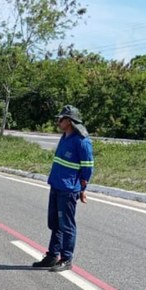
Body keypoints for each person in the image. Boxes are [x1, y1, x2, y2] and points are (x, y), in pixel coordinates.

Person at [33, 105, 94, 272]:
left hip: (68, 189)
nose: (58, 121)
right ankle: (53, 256)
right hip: (56, 185)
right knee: (54, 223)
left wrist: (82, 188)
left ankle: (66, 258)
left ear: (69, 121)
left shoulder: (82, 141)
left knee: (67, 225)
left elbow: (88, 168)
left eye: (61, 119)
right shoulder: (64, 137)